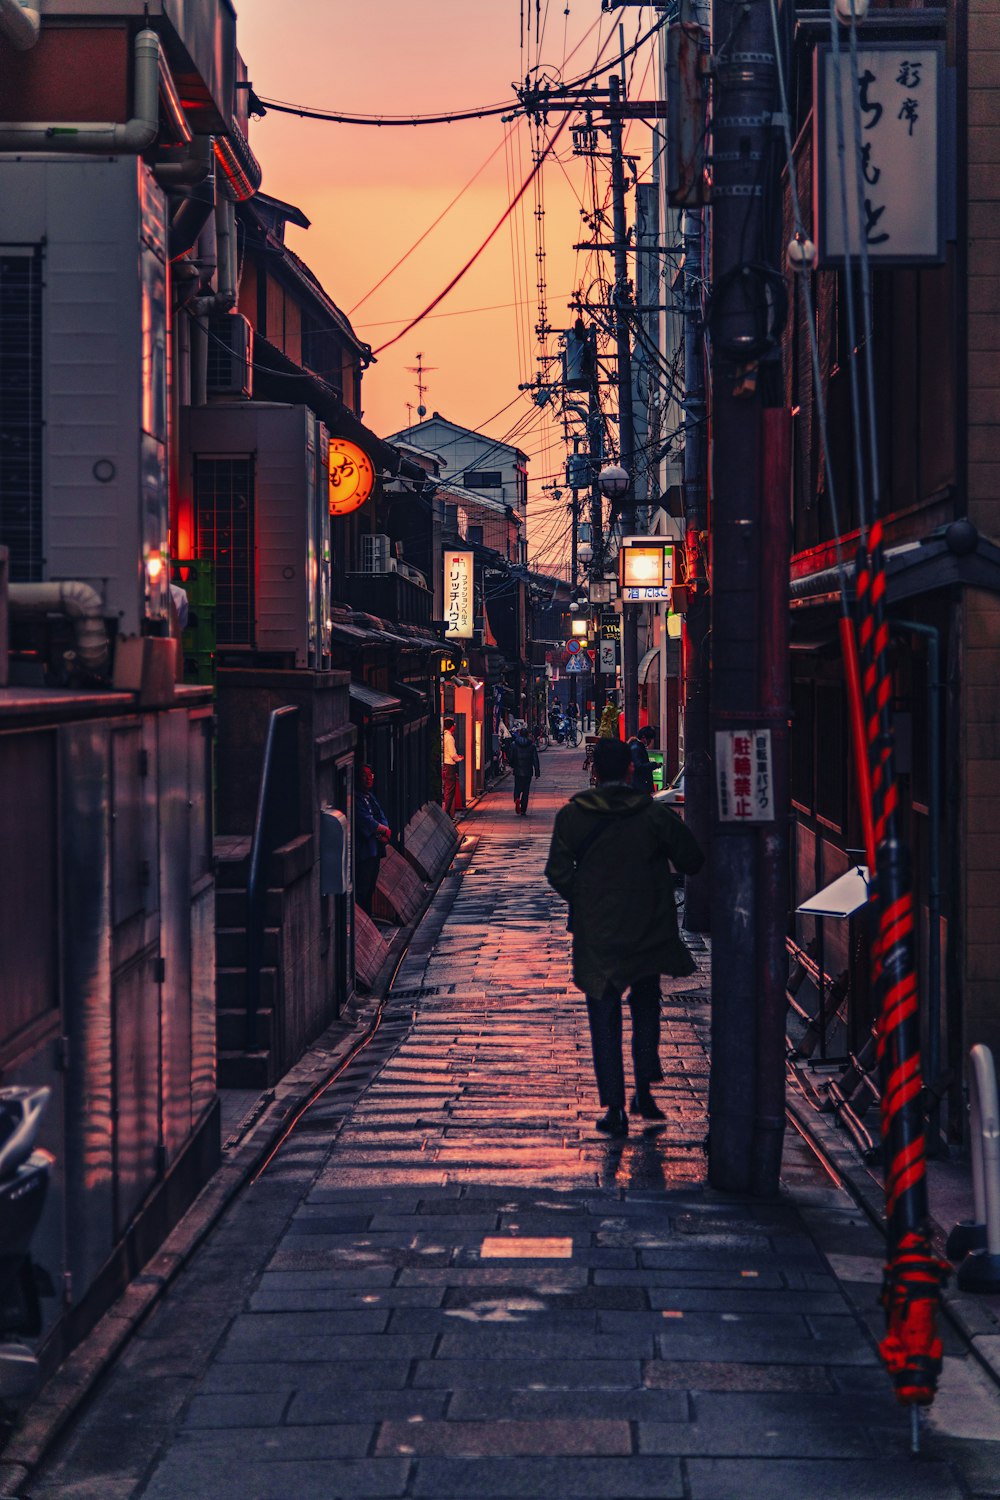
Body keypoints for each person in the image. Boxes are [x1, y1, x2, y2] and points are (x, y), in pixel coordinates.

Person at [544, 736, 704, 1137]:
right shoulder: (652, 815)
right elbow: (691, 859)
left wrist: (587, 898)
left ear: (595, 771)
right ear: (631, 769)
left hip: (597, 934)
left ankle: (614, 1106)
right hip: (648, 928)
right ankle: (645, 1090)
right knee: (647, 1007)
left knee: (604, 1014)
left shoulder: (574, 817)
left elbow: (558, 872)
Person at [355, 765, 391, 916]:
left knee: (370, 886)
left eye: (371, 775)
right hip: (364, 850)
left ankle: (368, 917)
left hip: (374, 849)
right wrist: (382, 829)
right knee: (363, 887)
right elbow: (365, 821)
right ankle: (365, 917)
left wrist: (384, 829)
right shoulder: (356, 798)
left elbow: (380, 815)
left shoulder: (370, 797)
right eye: (365, 776)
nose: (369, 779)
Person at [509, 721, 541, 816]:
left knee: (517, 787)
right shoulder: (532, 746)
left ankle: (516, 798)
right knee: (526, 790)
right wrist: (537, 772)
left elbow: (511, 757)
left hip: (518, 770)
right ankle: (523, 809)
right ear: (527, 735)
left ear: (519, 734)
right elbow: (535, 759)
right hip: (528, 771)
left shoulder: (514, 744)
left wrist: (512, 765)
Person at [442, 716, 464, 818]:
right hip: (450, 765)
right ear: (451, 726)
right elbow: (452, 754)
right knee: (450, 789)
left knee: (447, 788)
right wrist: (459, 758)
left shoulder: (443, 736)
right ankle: (447, 813)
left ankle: (447, 812)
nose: (455, 726)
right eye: (454, 724)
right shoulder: (450, 738)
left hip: (445, 764)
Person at [628, 724, 656, 795]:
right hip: (639, 786)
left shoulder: (636, 746)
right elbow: (638, 766)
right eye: (649, 739)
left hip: (639, 785)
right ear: (644, 737)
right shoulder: (637, 748)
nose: (650, 742)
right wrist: (653, 765)